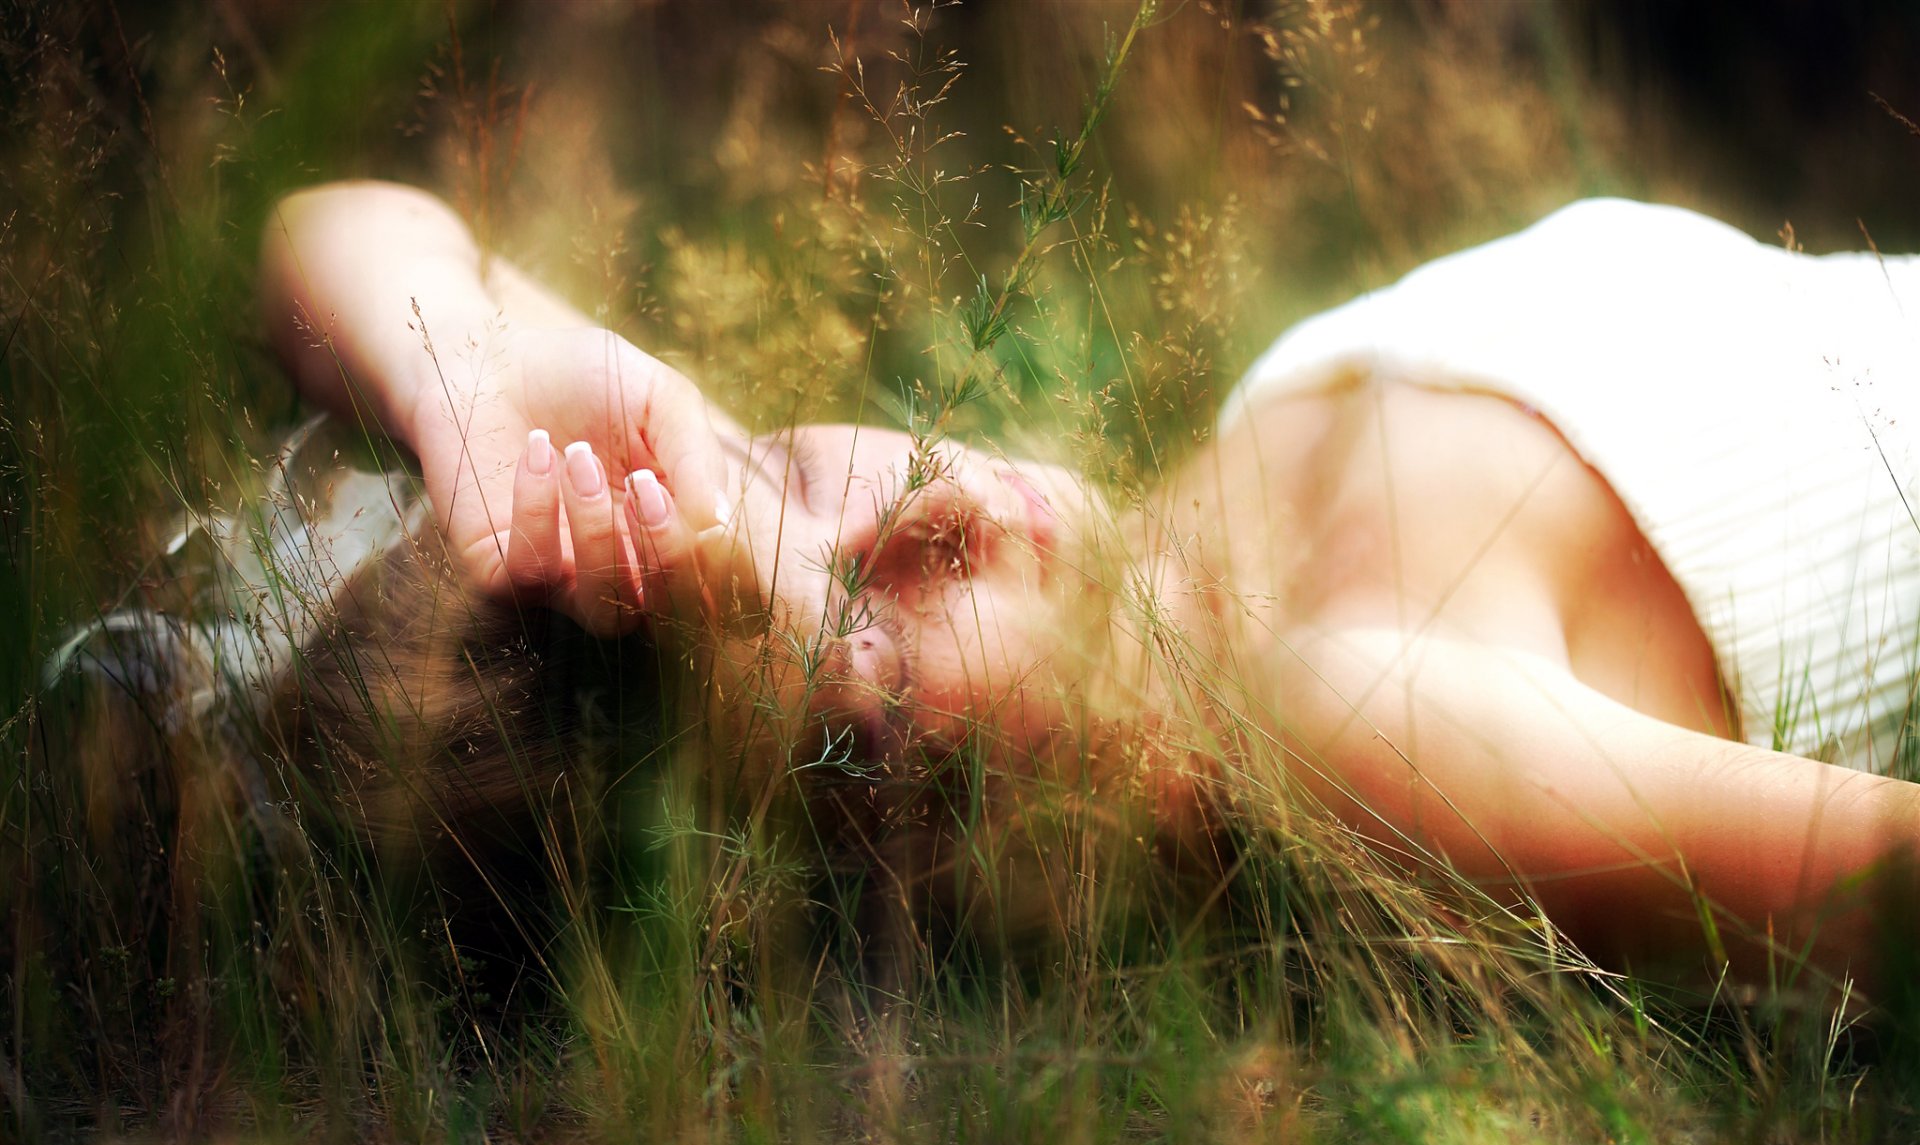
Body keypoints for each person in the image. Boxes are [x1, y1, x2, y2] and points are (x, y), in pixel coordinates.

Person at [79, 181, 1920, 988]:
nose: (930, 509)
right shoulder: (1354, 713)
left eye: (793, 468)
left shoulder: (1226, 498)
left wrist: (467, 397)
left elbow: (331, 230)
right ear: (896, 856)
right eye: (869, 668)